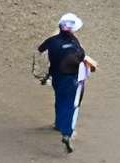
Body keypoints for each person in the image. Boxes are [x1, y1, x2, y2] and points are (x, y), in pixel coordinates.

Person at [38, 14, 94, 152]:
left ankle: (58, 124)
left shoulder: (52, 41)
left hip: (56, 76)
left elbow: (40, 50)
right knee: (70, 105)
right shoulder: (74, 43)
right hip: (71, 78)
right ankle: (67, 133)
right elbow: (81, 56)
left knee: (59, 99)